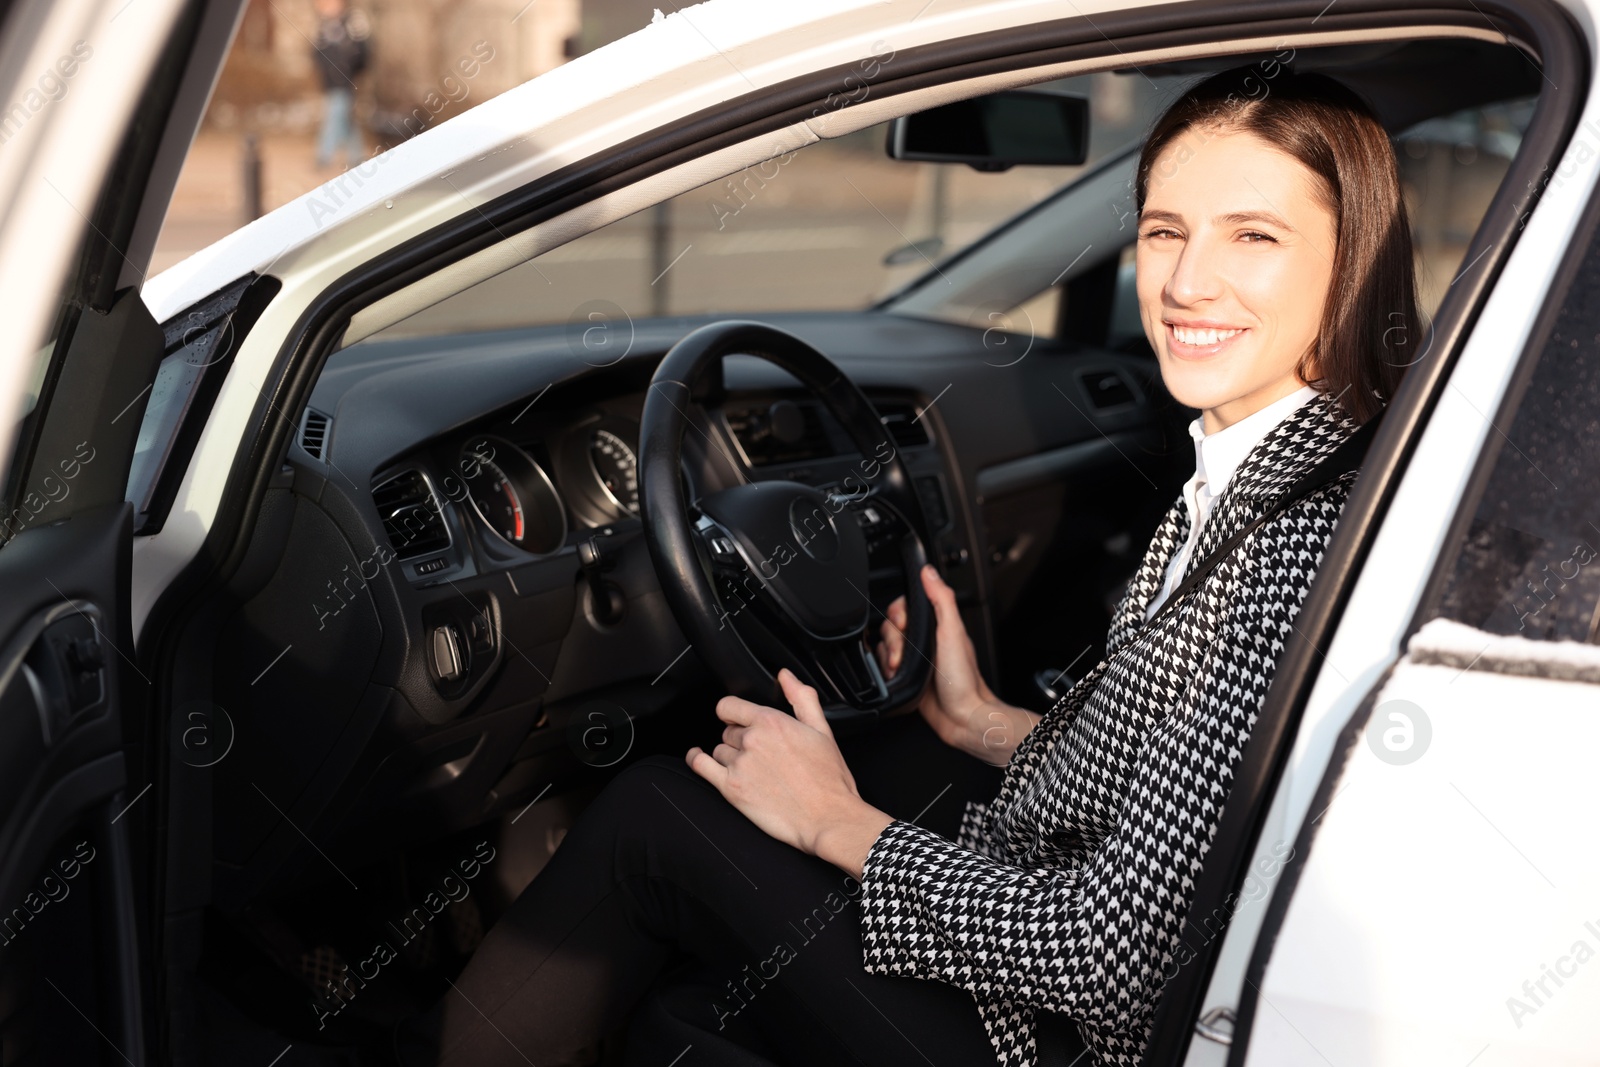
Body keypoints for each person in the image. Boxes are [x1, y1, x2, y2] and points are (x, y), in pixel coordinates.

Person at [394, 64, 1418, 1067]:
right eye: (1164, 232)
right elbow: (1178, 792)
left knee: (661, 815)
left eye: (1254, 235)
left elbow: (1115, 956)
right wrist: (983, 722)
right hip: (1086, 949)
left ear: (1354, 259)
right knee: (870, 758)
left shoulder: (1291, 542)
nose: (1188, 281)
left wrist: (842, 826)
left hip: (1072, 1036)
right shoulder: (1278, 467)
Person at [311, 0, 370, 171]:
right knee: (345, 119)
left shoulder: (353, 23)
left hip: (346, 81)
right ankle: (356, 156)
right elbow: (316, 53)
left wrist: (348, 70)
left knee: (335, 115)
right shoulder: (323, 27)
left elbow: (363, 51)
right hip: (330, 82)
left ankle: (324, 155)